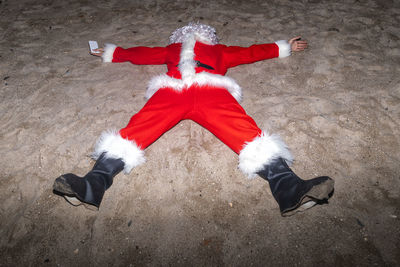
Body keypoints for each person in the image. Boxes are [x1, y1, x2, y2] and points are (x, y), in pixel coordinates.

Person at [53, 23, 334, 216]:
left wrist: (283, 46)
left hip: (212, 89)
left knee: (246, 131)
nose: (194, 34)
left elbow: (250, 52)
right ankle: (92, 185)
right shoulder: (171, 51)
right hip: (172, 90)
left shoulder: (220, 51)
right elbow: (143, 54)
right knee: (136, 129)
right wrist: (114, 53)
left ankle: (289, 188)